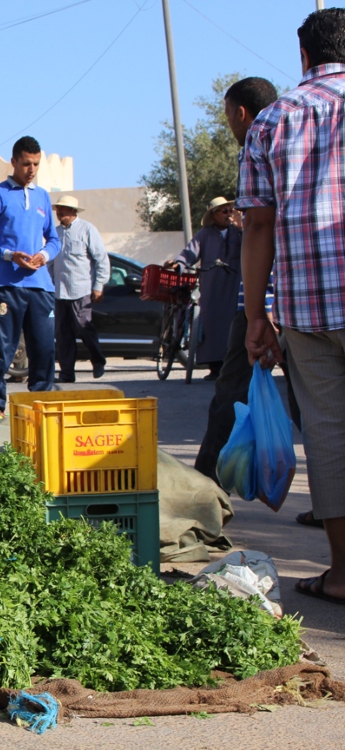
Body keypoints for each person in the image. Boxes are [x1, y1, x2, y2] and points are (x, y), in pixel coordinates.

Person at [241, 8, 345, 605]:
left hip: (306, 307)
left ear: (303, 56)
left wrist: (258, 315)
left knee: (329, 437)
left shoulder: (273, 119)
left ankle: (343, 572)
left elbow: (258, 224)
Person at [193, 77, 294, 483]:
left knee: (229, 394)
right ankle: (329, 504)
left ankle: (204, 489)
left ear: (240, 113)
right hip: (305, 295)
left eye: (227, 116)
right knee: (314, 403)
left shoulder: (260, 139)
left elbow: (258, 227)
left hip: (263, 304)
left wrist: (257, 312)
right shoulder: (309, 137)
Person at [0, 136, 60, 412]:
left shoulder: (43, 196)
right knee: (1, 354)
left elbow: (55, 240)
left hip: (41, 288)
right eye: (26, 164)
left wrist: (43, 256)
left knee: (44, 352)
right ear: (13, 162)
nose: (31, 169)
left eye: (36, 164)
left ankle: (41, 408)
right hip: (7, 286)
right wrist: (11, 255)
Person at [168, 197, 242, 380]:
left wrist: (241, 229)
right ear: (213, 215)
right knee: (210, 323)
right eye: (223, 211)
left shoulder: (239, 233)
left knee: (235, 323)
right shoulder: (204, 234)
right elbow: (189, 253)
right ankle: (215, 368)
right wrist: (179, 264)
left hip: (235, 284)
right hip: (212, 285)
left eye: (229, 211)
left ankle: (235, 367)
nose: (228, 214)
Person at [50, 195, 109, 382]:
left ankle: (98, 360)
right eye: (59, 208)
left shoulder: (87, 230)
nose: (60, 212)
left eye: (64, 209)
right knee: (62, 334)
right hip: (60, 291)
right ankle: (67, 373)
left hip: (81, 289)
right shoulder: (55, 233)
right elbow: (49, 262)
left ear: (73, 211)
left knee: (84, 327)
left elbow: (101, 259)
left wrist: (99, 286)